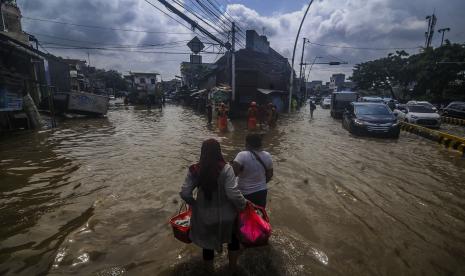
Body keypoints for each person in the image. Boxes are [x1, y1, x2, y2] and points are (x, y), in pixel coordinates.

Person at [180, 139, 247, 272]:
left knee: (207, 246)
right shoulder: (226, 168)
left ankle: (210, 271)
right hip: (227, 216)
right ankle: (232, 269)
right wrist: (243, 205)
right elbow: (233, 194)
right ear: (219, 151)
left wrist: (195, 204)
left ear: (202, 152)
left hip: (205, 217)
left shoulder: (195, 169)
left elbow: (185, 193)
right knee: (232, 240)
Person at [233, 134, 273, 208]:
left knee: (244, 215)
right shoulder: (268, 155)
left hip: (245, 193)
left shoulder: (242, 155)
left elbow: (233, 174)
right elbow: (270, 175)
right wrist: (259, 183)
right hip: (262, 192)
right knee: (259, 216)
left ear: (247, 143)